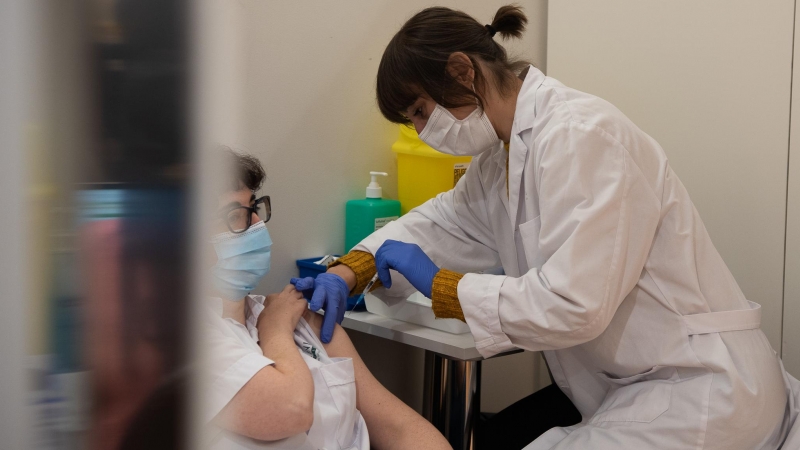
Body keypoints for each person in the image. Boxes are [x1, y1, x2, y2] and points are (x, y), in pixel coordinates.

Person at [302, 5, 800, 450]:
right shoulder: (498, 162)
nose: (421, 132)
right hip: (641, 389)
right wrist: (351, 269)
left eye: (420, 112)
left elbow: (574, 304)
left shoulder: (582, 135)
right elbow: (437, 224)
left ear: (461, 71)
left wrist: (441, 286)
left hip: (702, 388)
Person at [202, 148, 450, 450]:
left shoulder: (300, 317)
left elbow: (399, 427)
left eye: (255, 207)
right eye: (235, 215)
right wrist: (276, 330)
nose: (256, 223)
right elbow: (290, 410)